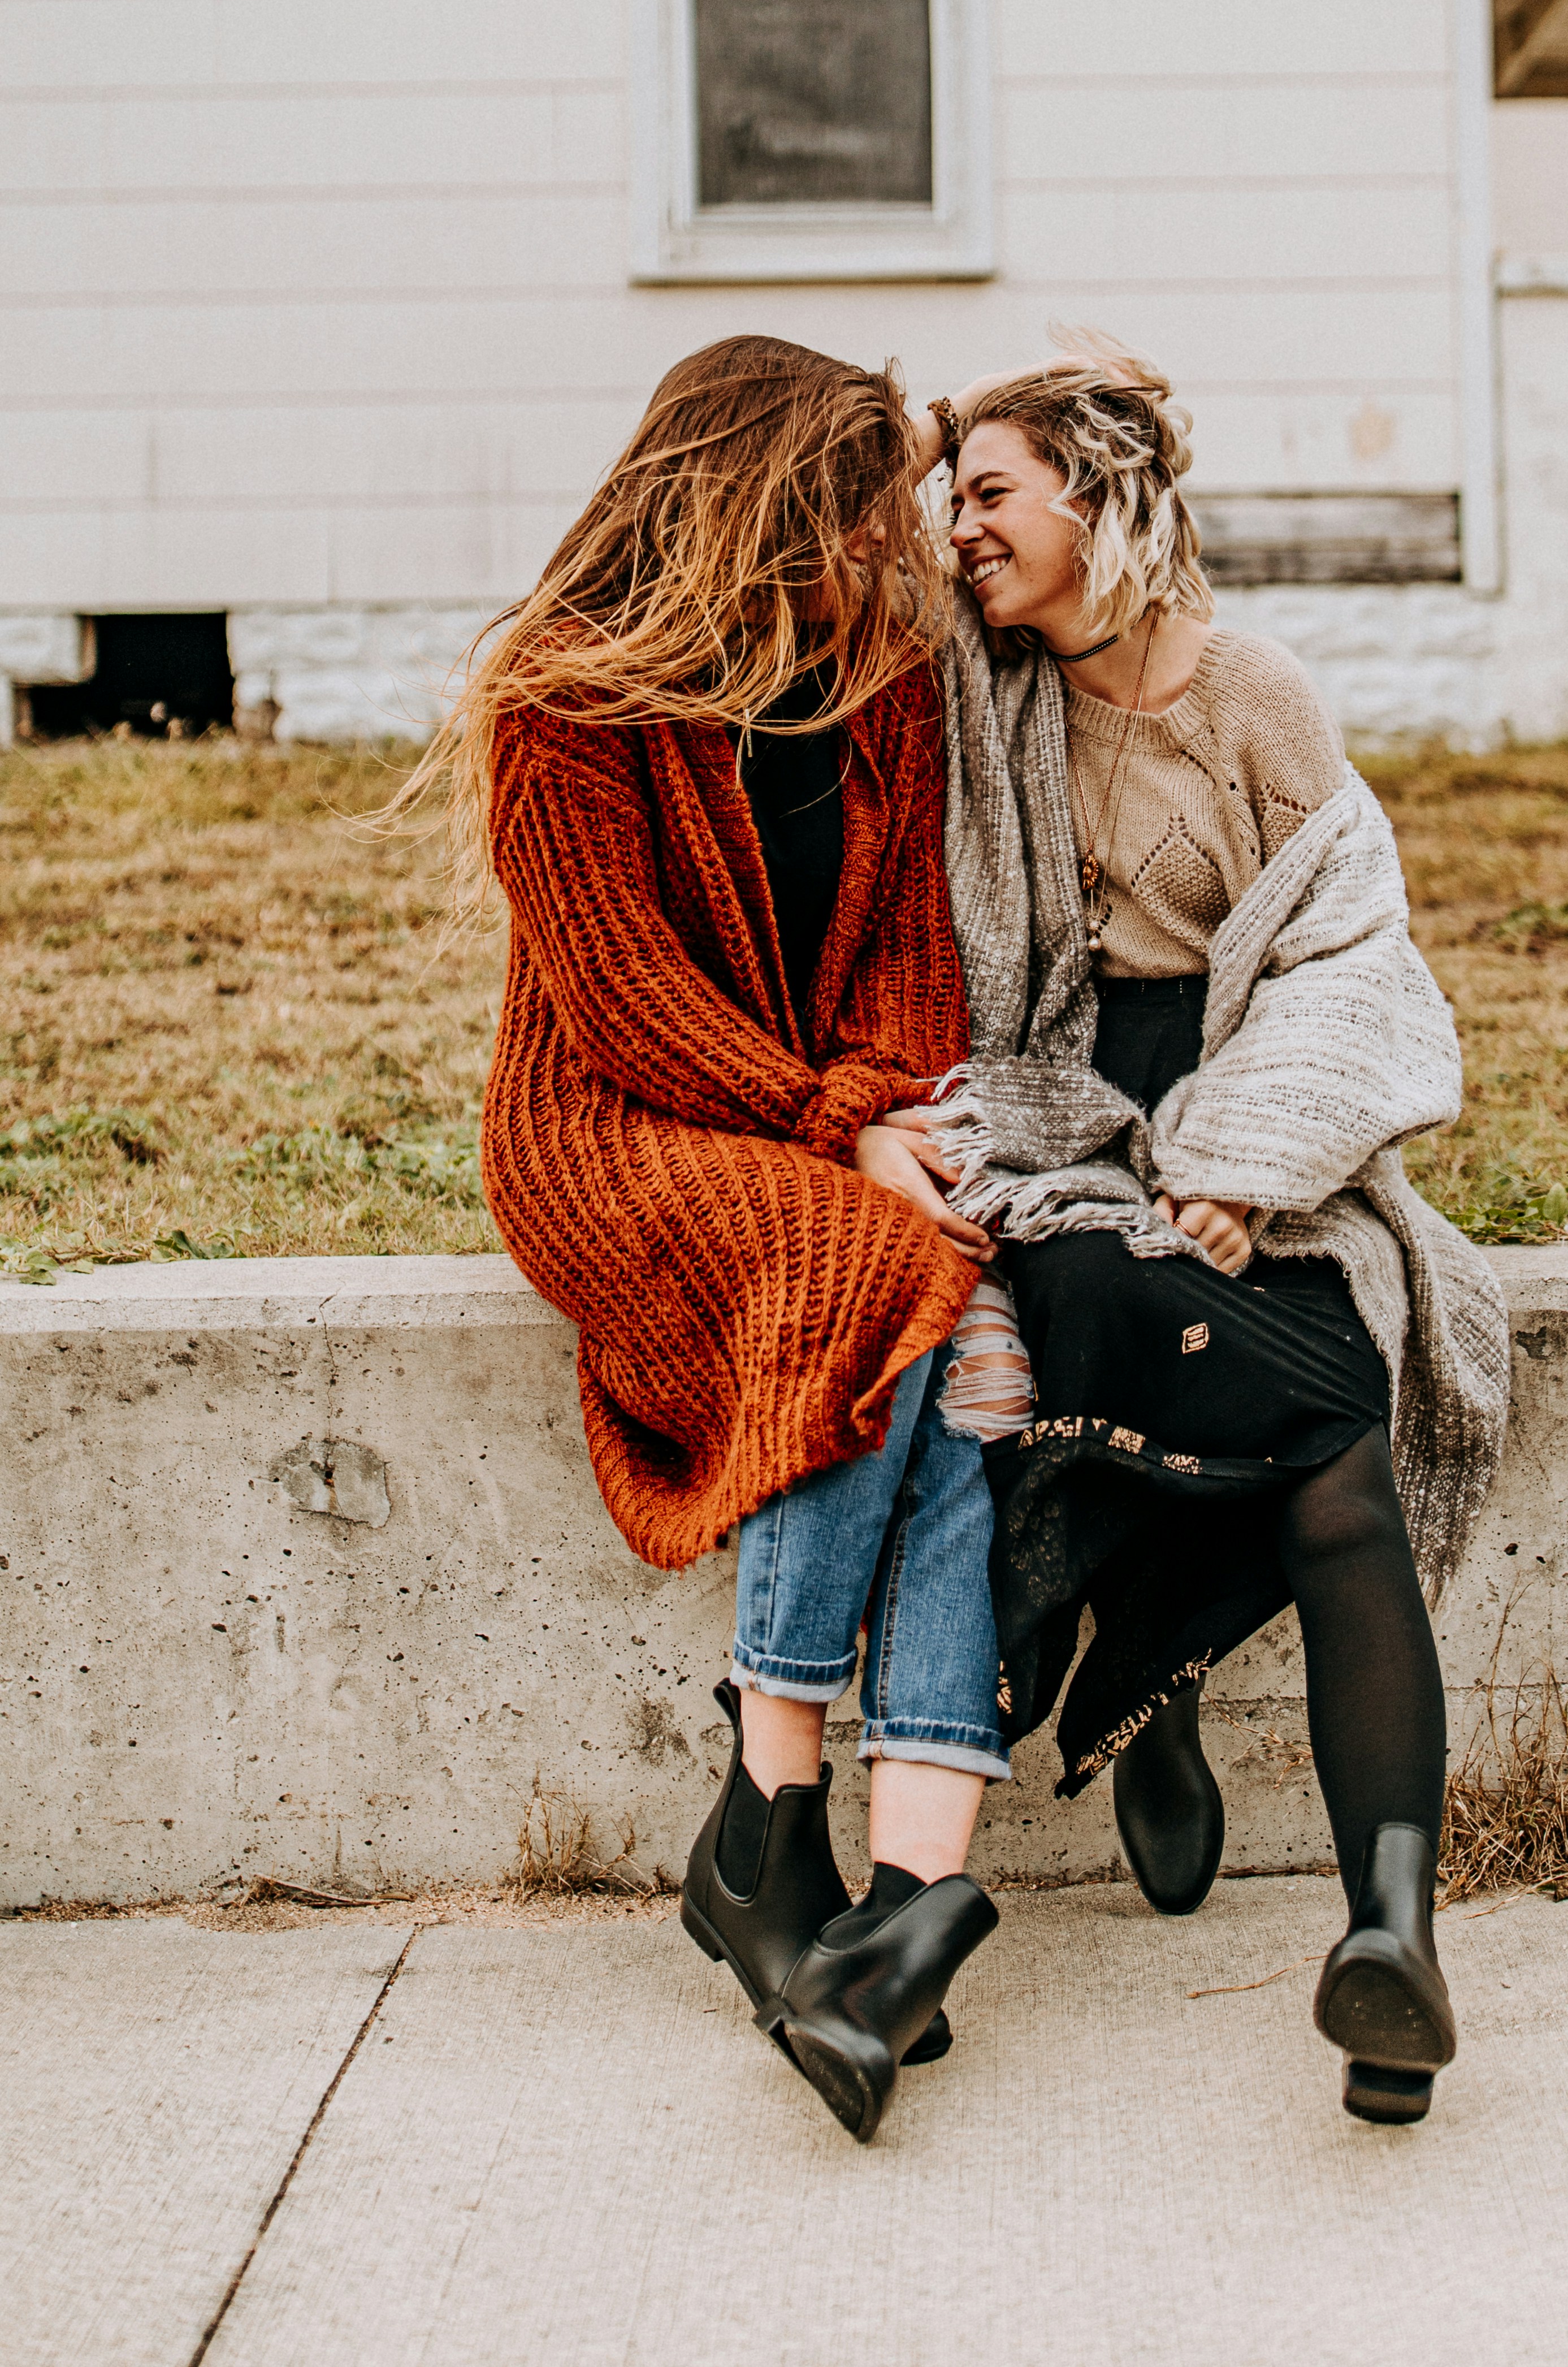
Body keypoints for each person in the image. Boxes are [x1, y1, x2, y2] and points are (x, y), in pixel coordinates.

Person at [402, 334, 1026, 2145]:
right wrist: (849, 1131)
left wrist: (895, 1112)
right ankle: (768, 1811)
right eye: (862, 519)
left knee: (942, 1345)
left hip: (825, 1126)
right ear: (761, 509)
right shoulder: (563, 696)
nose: (893, 554)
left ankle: (893, 1906)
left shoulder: (882, 676)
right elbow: (622, 995)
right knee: (869, 1275)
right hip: (611, 1124)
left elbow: (915, 953)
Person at [924, 346, 1510, 2126]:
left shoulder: (1257, 699)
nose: (961, 529)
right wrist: (1134, 1162)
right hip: (1066, 1123)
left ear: (1099, 500)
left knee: (1341, 1461)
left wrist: (1246, 1160)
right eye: (951, 497)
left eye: (995, 493)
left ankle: (1391, 1941)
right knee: (1103, 1290)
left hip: (1264, 1119)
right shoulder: (991, 688)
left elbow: (1350, 952)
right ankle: (1150, 1686)